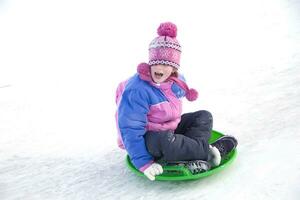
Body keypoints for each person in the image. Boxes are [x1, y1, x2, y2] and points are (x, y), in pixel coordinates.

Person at [115, 22, 237, 181]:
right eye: (156, 62)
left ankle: (191, 156)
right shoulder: (137, 90)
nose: (160, 68)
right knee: (164, 140)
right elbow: (130, 129)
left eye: (166, 64)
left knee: (203, 116)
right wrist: (143, 162)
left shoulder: (176, 82)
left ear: (174, 68)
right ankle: (207, 152)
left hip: (168, 131)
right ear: (150, 61)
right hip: (146, 140)